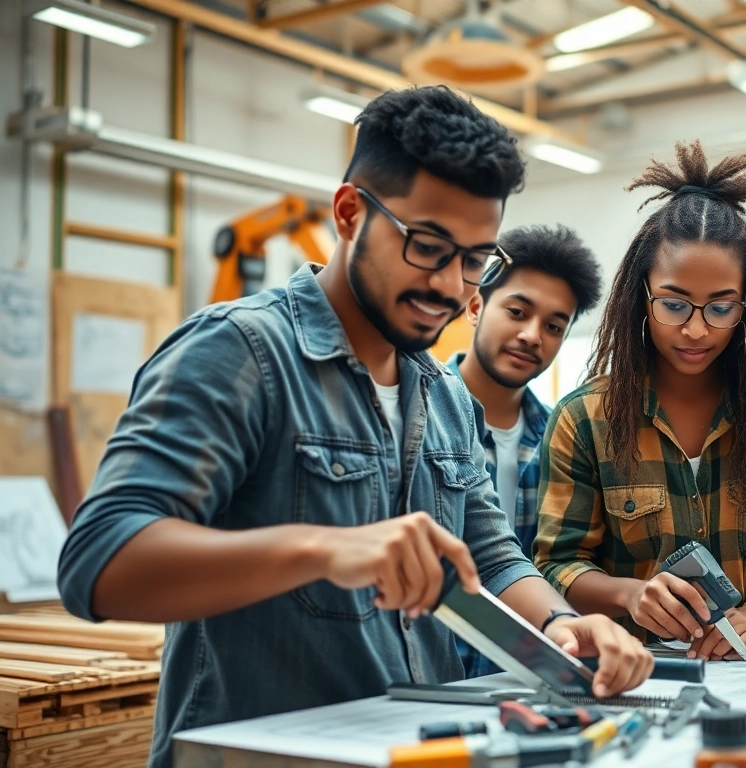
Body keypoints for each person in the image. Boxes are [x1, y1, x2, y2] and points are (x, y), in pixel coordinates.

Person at [56, 87, 652, 768]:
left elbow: (488, 557)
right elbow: (99, 562)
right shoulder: (241, 354)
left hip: (410, 752)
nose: (451, 286)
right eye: (428, 246)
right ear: (349, 214)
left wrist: (564, 625)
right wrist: (325, 549)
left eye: (473, 260)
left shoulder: (443, 396)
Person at [533, 141, 746, 660]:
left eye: (721, 308)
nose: (697, 330)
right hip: (634, 668)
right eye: (674, 304)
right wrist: (631, 596)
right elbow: (556, 563)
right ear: (641, 296)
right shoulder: (585, 418)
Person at [447, 224, 604, 676]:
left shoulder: (565, 435)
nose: (533, 335)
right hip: (440, 676)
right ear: (475, 306)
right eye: (517, 311)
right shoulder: (424, 417)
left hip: (536, 672)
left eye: (554, 326)